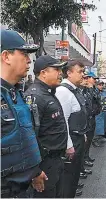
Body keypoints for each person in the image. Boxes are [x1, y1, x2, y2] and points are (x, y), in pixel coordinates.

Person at [1, 29, 47, 198]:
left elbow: (23, 136)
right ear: (6, 56)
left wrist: (34, 172)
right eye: (24, 53)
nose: (29, 60)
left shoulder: (14, 93)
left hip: (21, 188)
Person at [25, 55, 68, 197]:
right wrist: (35, 170)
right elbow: (28, 136)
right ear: (43, 72)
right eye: (56, 69)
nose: (60, 73)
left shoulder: (48, 93)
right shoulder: (36, 96)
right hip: (44, 163)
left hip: (55, 160)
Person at [55, 61, 88, 197]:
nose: (83, 75)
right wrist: (69, 145)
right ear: (69, 73)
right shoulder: (63, 91)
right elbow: (63, 121)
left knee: (73, 176)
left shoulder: (74, 90)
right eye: (79, 71)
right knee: (67, 179)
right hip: (71, 142)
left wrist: (82, 133)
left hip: (77, 137)